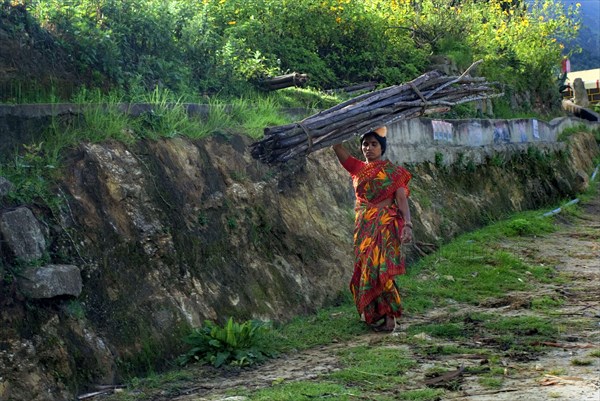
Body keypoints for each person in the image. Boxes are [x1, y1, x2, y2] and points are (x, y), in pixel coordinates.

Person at [332, 126, 413, 332]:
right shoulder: (357, 168)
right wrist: (343, 125)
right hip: (364, 229)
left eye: (374, 144)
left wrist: (408, 225)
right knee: (367, 269)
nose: (368, 148)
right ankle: (375, 313)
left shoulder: (394, 173)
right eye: (365, 144)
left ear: (382, 147)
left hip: (385, 226)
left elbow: (401, 199)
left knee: (381, 269)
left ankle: (390, 317)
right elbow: (337, 147)